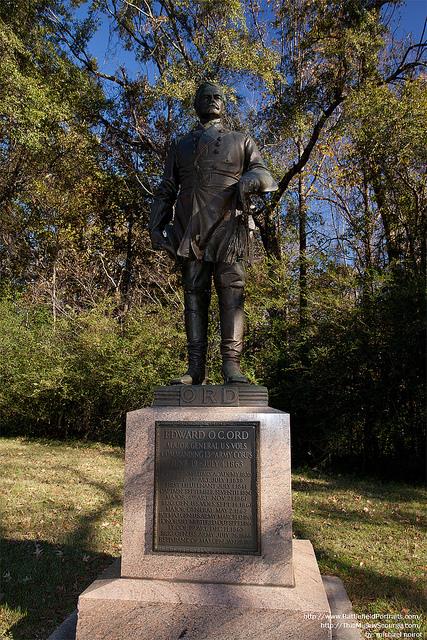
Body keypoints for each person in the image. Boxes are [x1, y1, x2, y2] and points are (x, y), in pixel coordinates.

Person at [149, 82, 278, 385]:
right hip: (190, 226)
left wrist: (249, 181)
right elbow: (167, 188)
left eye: (218, 96)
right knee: (194, 295)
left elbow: (264, 174)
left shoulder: (240, 140)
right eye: (206, 97)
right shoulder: (180, 145)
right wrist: (156, 225)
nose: (213, 100)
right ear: (195, 104)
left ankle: (231, 364)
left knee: (232, 294)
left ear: (225, 104)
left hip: (228, 225)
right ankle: (195, 369)